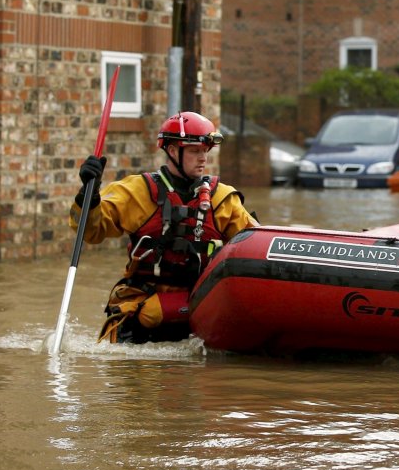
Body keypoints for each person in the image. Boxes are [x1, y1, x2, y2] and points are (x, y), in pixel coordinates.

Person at [70, 111, 260, 344]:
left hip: (198, 304)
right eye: (194, 151)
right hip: (142, 308)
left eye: (205, 151)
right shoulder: (135, 192)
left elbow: (254, 244)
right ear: (172, 151)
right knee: (140, 322)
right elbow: (92, 231)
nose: (203, 158)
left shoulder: (222, 198)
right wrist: (87, 197)